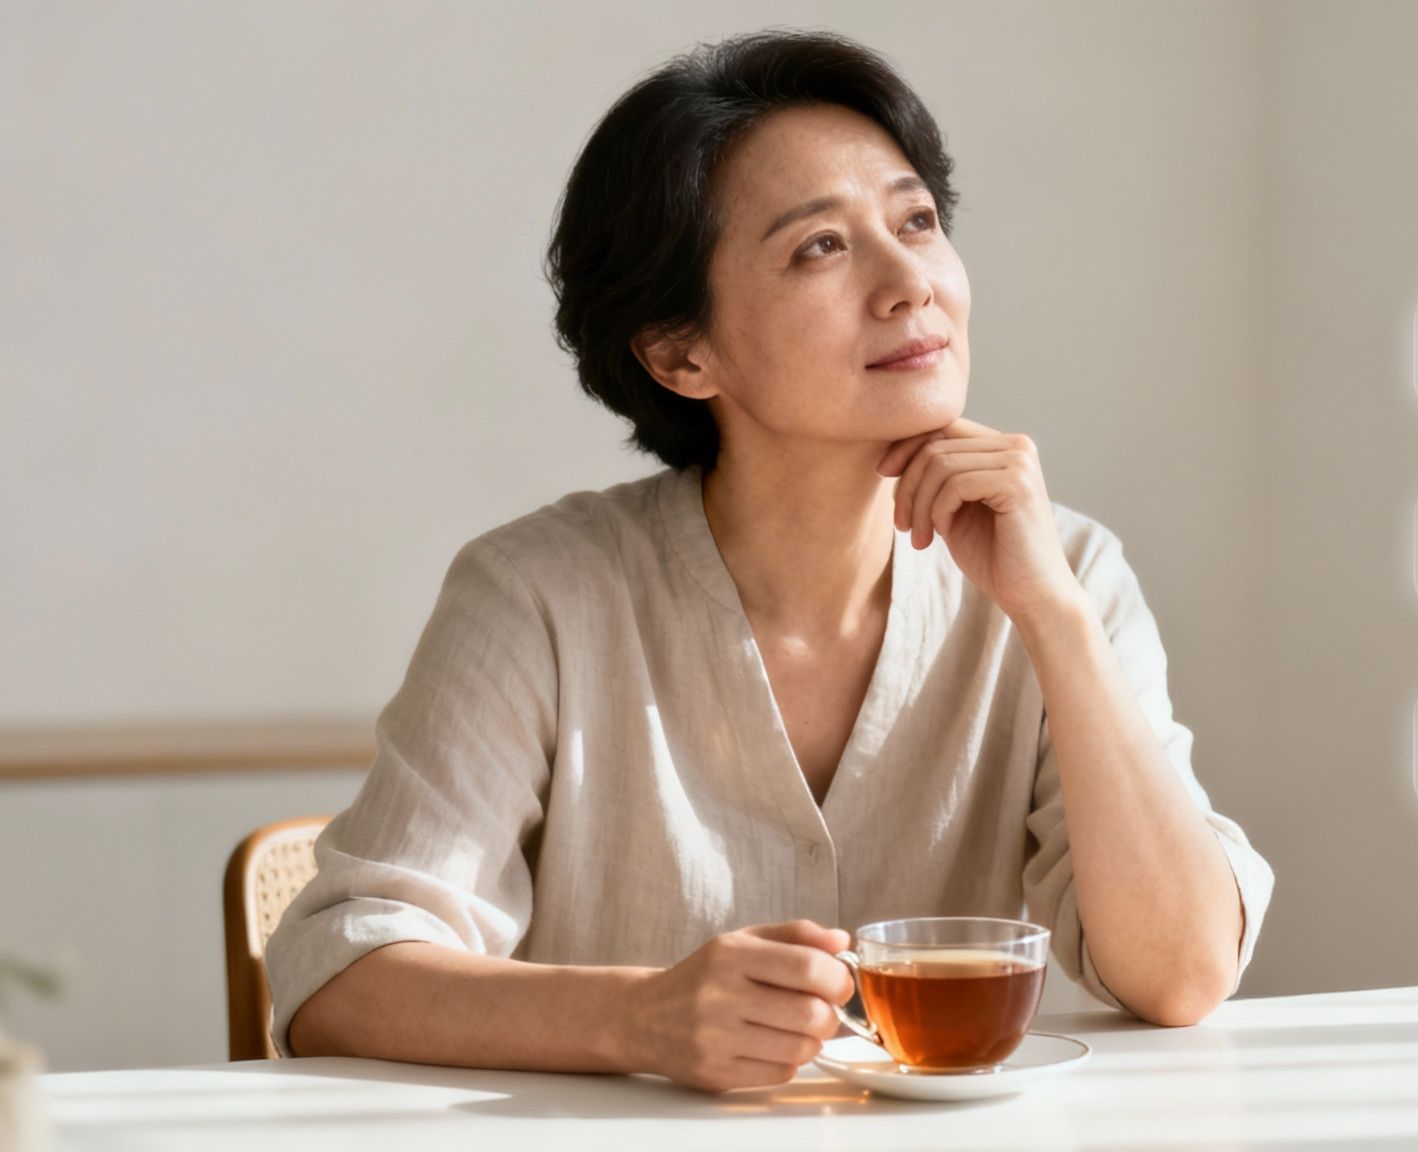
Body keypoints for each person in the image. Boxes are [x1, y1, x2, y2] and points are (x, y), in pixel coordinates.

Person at [265, 29, 1274, 1094]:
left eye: (916, 222)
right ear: (679, 354)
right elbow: (337, 978)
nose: (907, 285)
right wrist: (638, 1017)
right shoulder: (539, 595)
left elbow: (1179, 977)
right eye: (818, 249)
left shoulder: (1065, 568)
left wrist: (1055, 621)